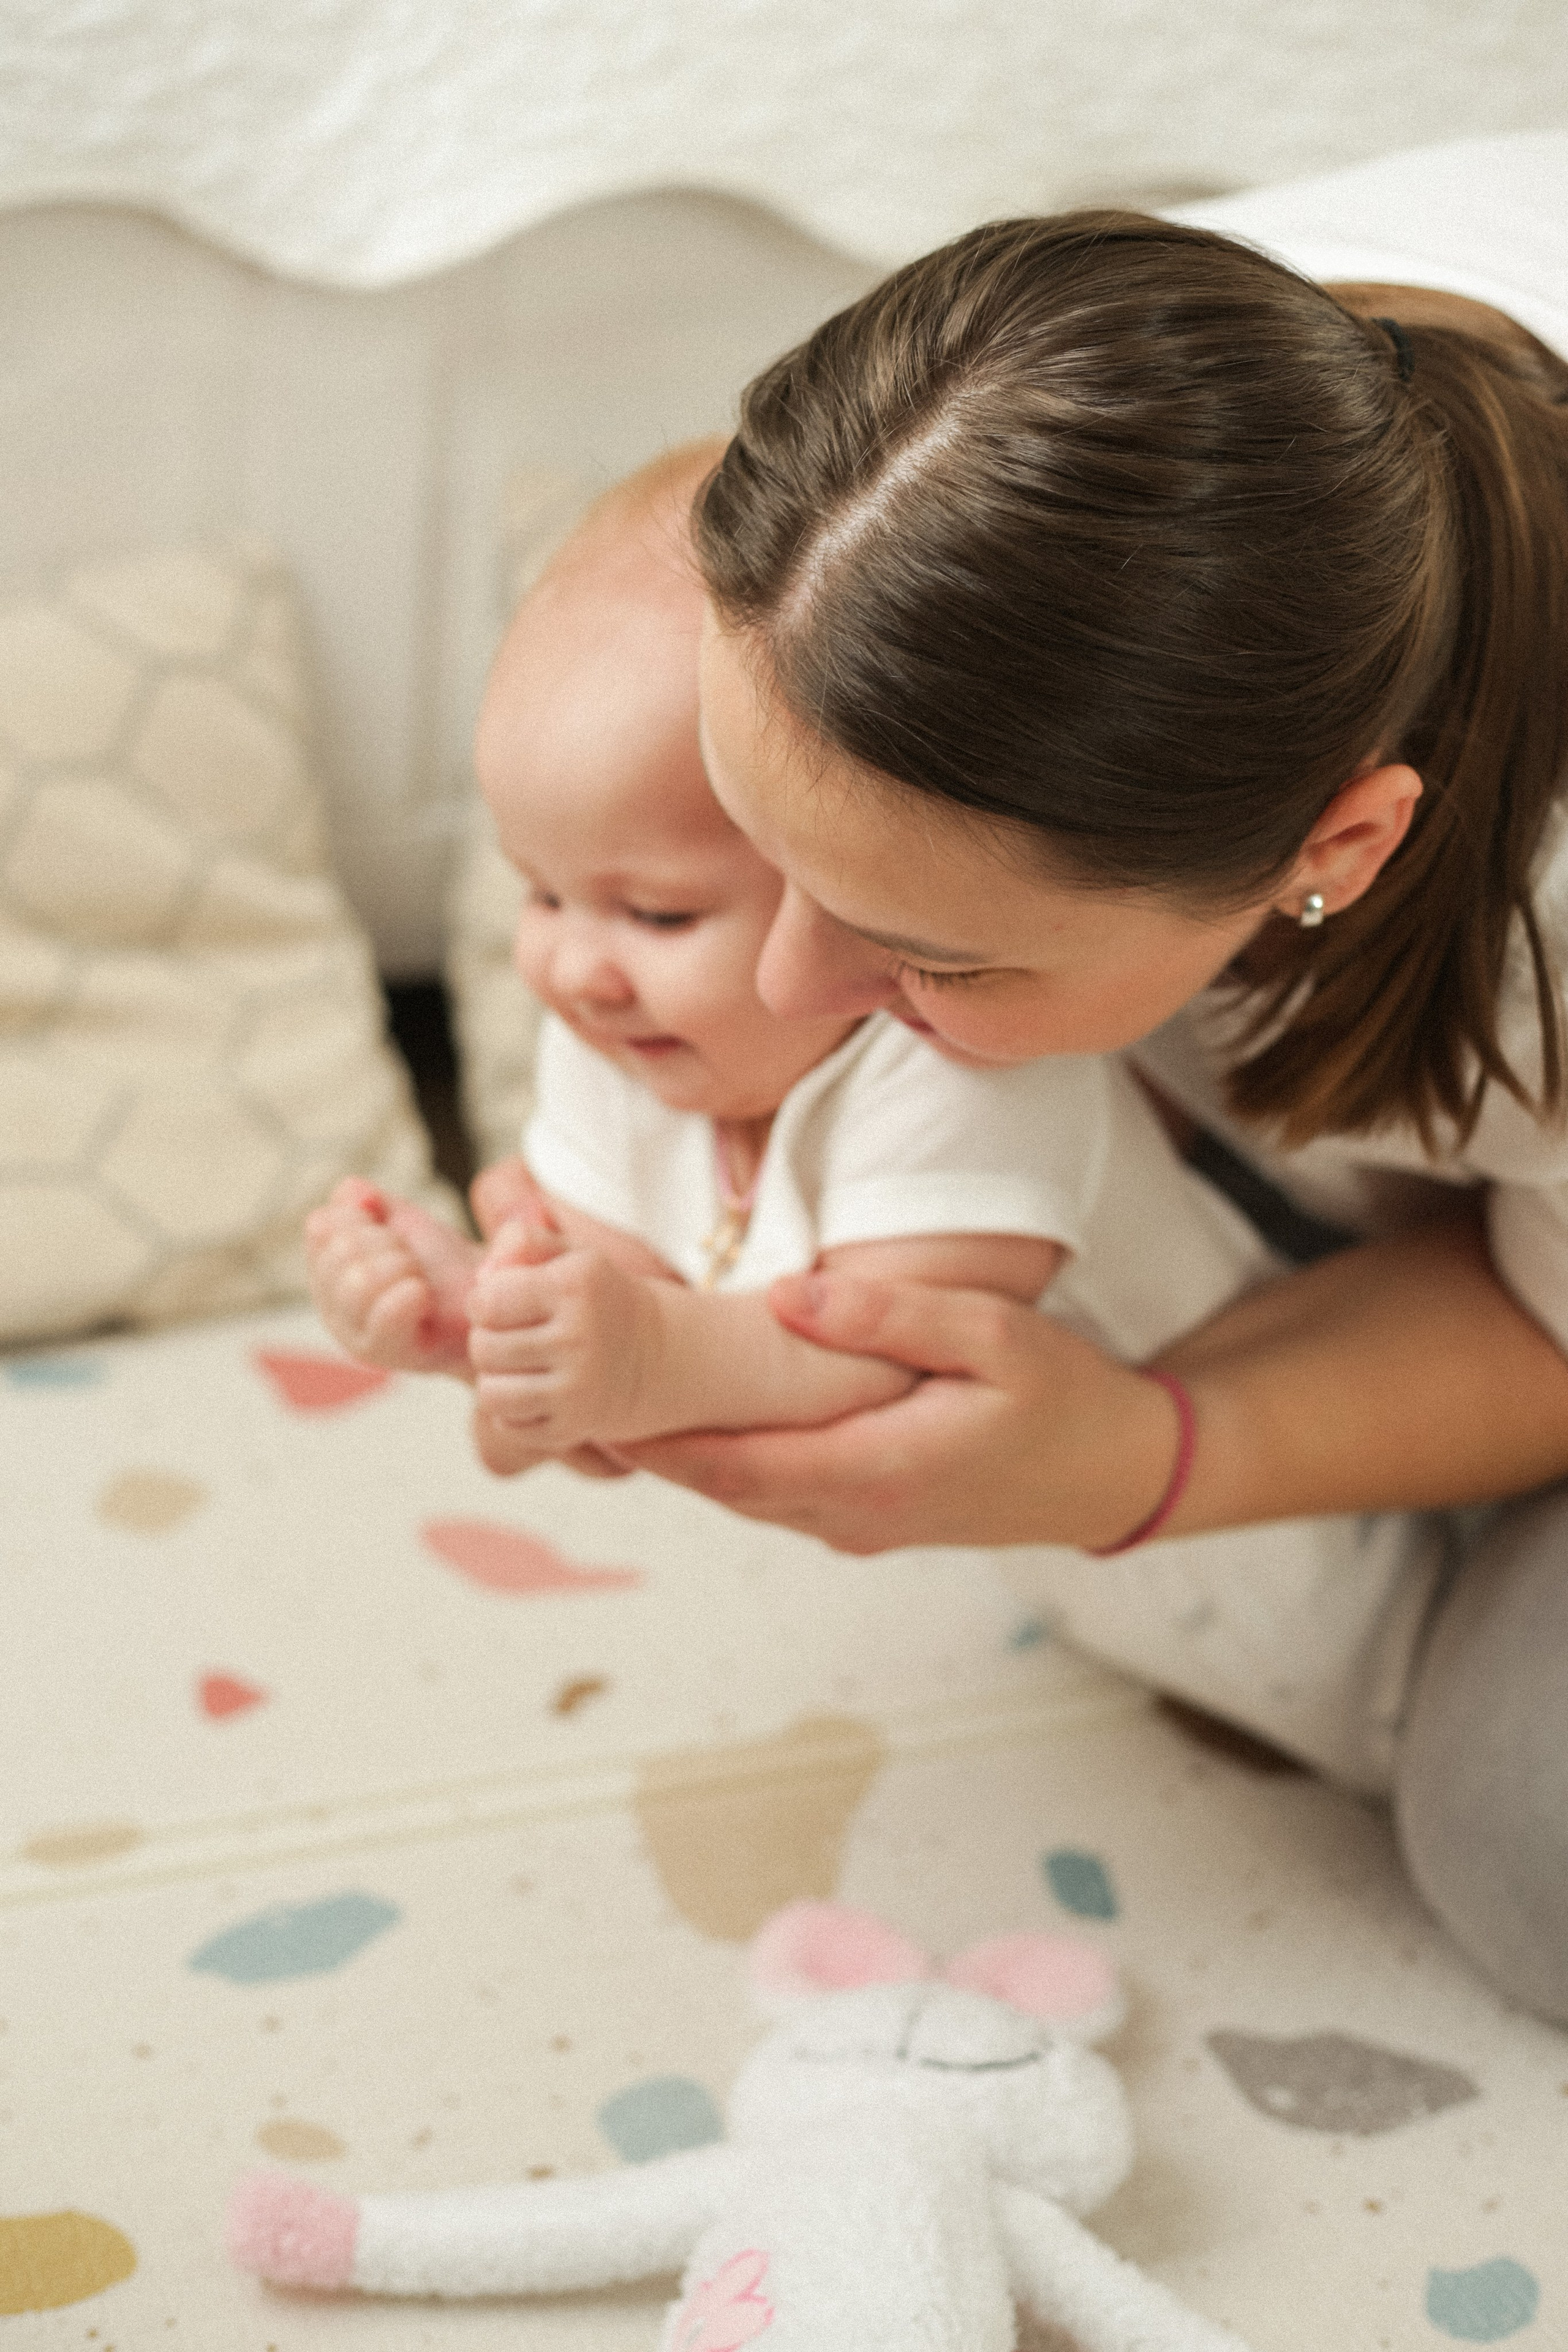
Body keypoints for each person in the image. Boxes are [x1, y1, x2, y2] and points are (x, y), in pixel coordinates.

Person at [583, 138, 1568, 2024]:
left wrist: (1141, 1457)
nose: (793, 987)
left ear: (1338, 846)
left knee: (1528, 1839)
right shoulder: (993, 474)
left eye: (933, 952)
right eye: (751, 851)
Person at [306, 449, 1269, 1476]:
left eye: (660, 914)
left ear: (850, 880)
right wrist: (481, 1325)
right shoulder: (619, 1039)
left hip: (1270, 1542)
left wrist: (642, 1355)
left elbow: (891, 1373)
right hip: (1005, 1566)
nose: (576, 970)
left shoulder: (967, 1068)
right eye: (541, 893)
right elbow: (607, 1369)